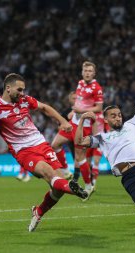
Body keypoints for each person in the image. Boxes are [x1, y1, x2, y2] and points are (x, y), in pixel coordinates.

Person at [0, 73, 88, 232]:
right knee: (49, 174)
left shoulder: (25, 100)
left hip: (42, 145)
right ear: (8, 88)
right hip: (25, 152)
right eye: (19, 89)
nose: (22, 93)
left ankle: (38, 211)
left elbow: (45, 107)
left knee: (58, 188)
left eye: (24, 90)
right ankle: (75, 189)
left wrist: (63, 121)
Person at [75, 62, 135, 225]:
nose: (118, 117)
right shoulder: (102, 138)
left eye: (119, 114)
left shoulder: (131, 124)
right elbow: (79, 141)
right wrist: (82, 119)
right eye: (113, 116)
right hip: (128, 178)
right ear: (105, 119)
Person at [51, 61, 104, 200]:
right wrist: (73, 112)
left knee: (80, 158)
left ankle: (88, 185)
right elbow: (78, 103)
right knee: (55, 145)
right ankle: (66, 171)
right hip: (73, 122)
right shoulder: (80, 83)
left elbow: (98, 108)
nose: (87, 73)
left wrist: (82, 111)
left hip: (84, 126)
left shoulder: (96, 88)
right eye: (85, 70)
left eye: (90, 71)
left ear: (94, 73)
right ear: (82, 72)